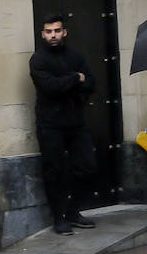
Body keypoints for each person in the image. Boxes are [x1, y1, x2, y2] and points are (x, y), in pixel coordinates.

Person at [29, 13, 98, 235]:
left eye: (57, 31)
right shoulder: (38, 59)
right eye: (49, 32)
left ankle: (73, 212)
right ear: (43, 34)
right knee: (54, 171)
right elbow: (49, 87)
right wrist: (75, 78)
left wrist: (73, 81)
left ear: (64, 32)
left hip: (76, 121)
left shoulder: (76, 56)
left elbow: (92, 83)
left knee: (88, 168)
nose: (53, 35)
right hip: (50, 124)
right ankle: (59, 218)